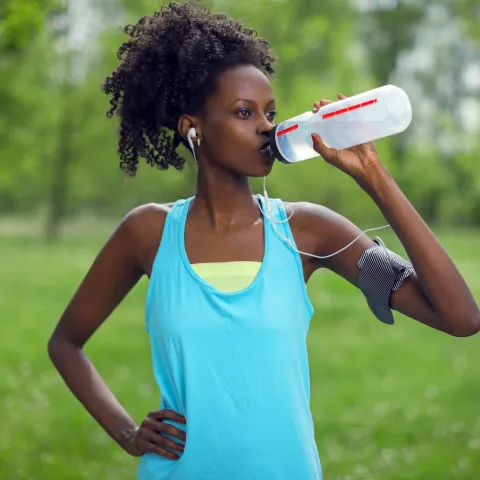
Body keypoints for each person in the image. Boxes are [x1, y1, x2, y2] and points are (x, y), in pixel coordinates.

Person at [47, 2, 480, 479]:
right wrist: (128, 433)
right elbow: (66, 343)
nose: (266, 127)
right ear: (194, 129)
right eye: (243, 112)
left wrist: (375, 179)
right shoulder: (147, 234)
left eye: (270, 112)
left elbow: (459, 317)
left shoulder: (308, 232)